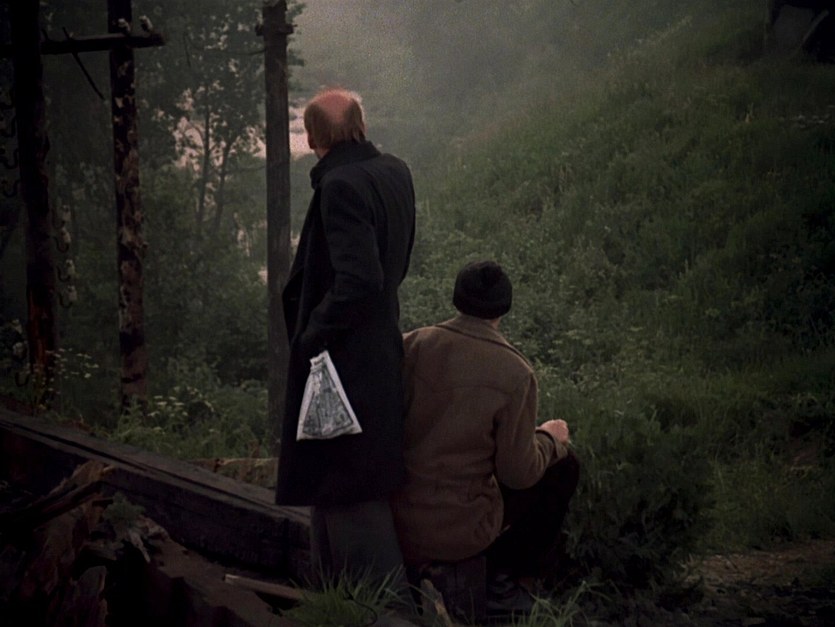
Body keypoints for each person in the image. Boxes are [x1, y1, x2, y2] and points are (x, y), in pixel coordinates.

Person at [275, 88, 416, 586]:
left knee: (346, 477)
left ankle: (379, 605)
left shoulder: (340, 186)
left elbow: (359, 279)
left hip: (343, 360)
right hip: (378, 346)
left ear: (312, 137)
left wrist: (313, 333)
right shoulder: (394, 170)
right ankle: (333, 594)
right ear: (360, 126)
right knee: (341, 475)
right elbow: (391, 264)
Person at [391, 260, 580, 617]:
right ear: (503, 308)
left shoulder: (413, 344)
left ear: (456, 299)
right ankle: (504, 583)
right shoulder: (515, 371)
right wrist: (550, 438)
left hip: (397, 519)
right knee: (564, 466)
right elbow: (518, 474)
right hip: (461, 533)